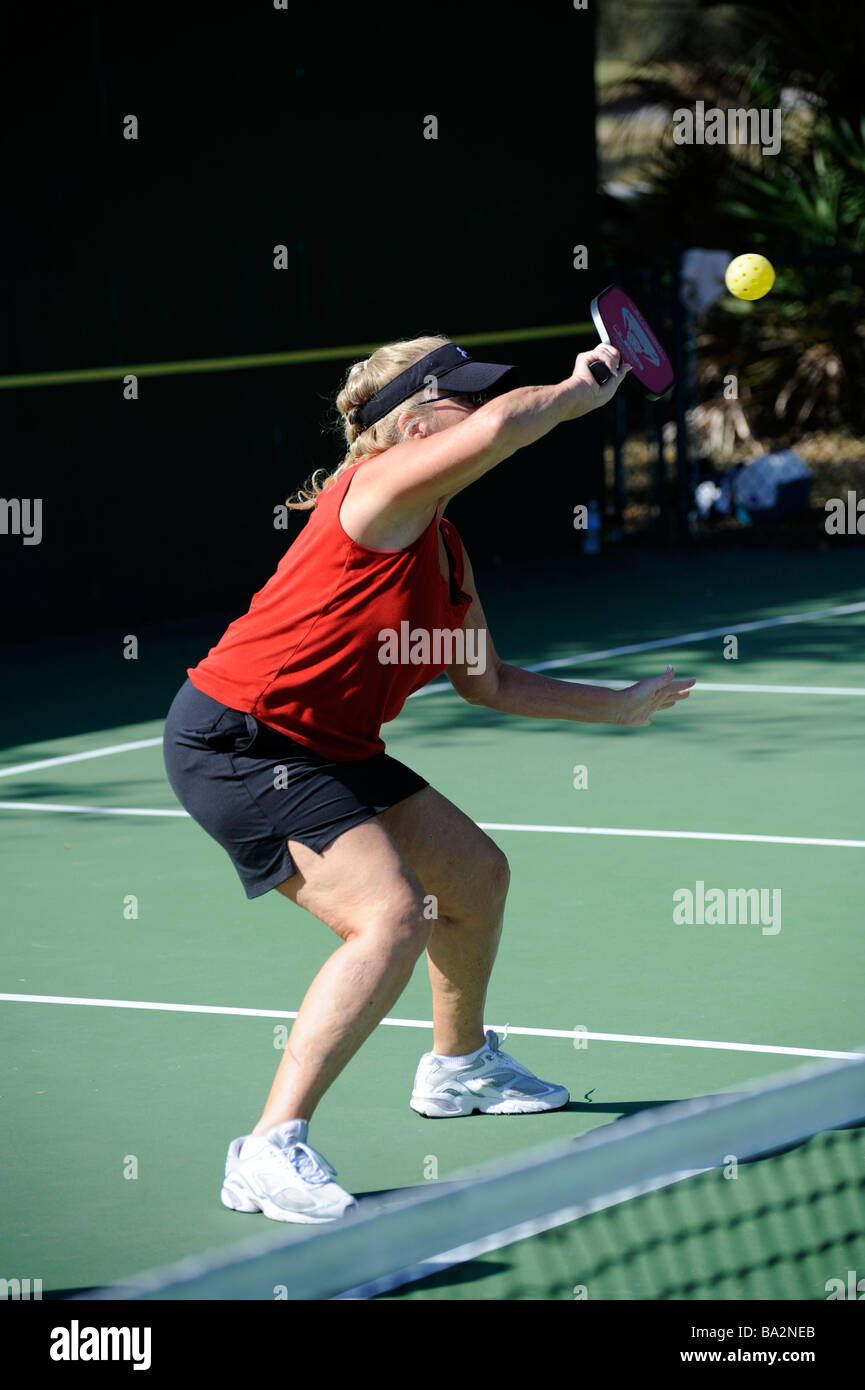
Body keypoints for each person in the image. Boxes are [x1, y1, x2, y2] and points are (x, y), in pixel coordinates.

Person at [162, 333, 696, 1224]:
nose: (481, 409)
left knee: (476, 876)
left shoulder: (443, 548)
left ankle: (458, 1068)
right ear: (412, 422)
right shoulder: (372, 495)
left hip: (329, 743)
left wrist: (621, 706)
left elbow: (486, 680)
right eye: (463, 397)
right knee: (390, 915)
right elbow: (497, 431)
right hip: (241, 741)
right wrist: (575, 387)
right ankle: (267, 1148)